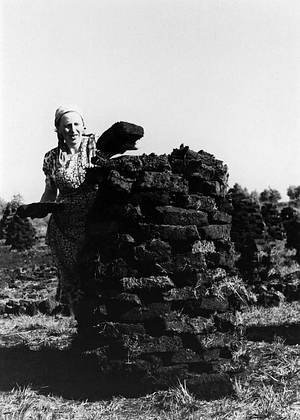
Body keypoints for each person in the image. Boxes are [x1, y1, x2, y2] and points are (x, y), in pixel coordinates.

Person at [41, 106, 99, 313]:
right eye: (67, 126)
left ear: (84, 126)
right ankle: (80, 331)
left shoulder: (95, 148)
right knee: (72, 281)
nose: (72, 130)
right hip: (63, 229)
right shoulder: (51, 158)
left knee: (97, 275)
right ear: (58, 130)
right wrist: (38, 210)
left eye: (76, 125)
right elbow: (50, 192)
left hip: (94, 223)